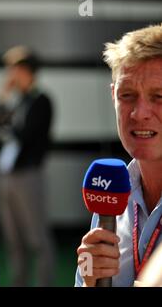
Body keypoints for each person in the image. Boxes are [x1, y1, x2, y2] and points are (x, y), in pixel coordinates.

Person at [75, 23, 162, 287]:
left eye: (159, 96)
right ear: (113, 96)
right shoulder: (112, 194)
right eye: (127, 95)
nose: (140, 112)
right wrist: (90, 283)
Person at [0, 46, 54, 286]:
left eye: (13, 70)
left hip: (28, 175)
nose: (10, 76)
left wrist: (9, 122)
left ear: (26, 71)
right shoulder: (17, 101)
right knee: (13, 240)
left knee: (37, 238)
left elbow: (26, 134)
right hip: (7, 175)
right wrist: (3, 99)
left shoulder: (42, 101)